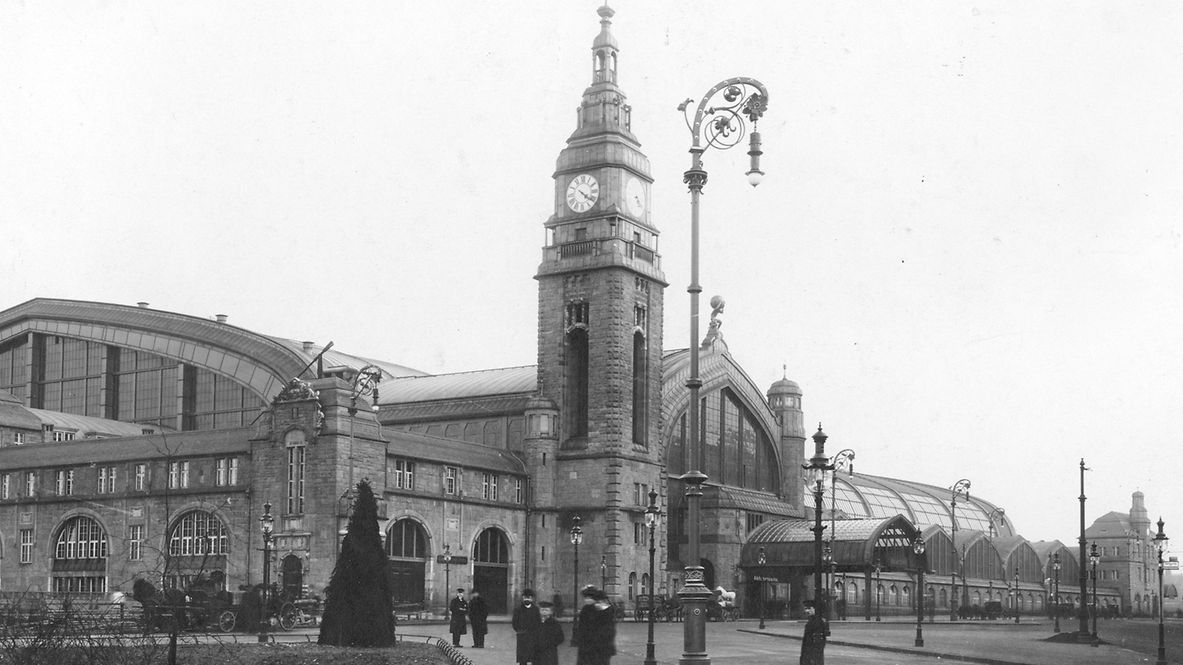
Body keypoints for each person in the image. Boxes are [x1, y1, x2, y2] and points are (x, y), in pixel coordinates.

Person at [573, 585, 616, 665]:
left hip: (601, 647)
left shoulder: (604, 609)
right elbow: (582, 627)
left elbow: (608, 630)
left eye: (589, 598)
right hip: (586, 647)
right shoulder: (586, 609)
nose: (587, 600)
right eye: (585, 598)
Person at [512, 588, 542, 665]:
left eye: (529, 598)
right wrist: (520, 630)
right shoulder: (518, 609)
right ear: (522, 598)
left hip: (533, 636)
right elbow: (514, 623)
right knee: (523, 659)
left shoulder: (536, 609)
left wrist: (536, 632)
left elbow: (539, 622)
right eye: (525, 597)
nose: (527, 599)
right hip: (523, 637)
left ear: (532, 599)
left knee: (534, 657)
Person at [535, 601, 566, 665]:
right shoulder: (536, 622)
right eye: (542, 610)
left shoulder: (554, 623)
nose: (544, 612)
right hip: (537, 652)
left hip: (550, 653)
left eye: (546, 610)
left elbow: (561, 638)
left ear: (551, 612)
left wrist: (551, 644)